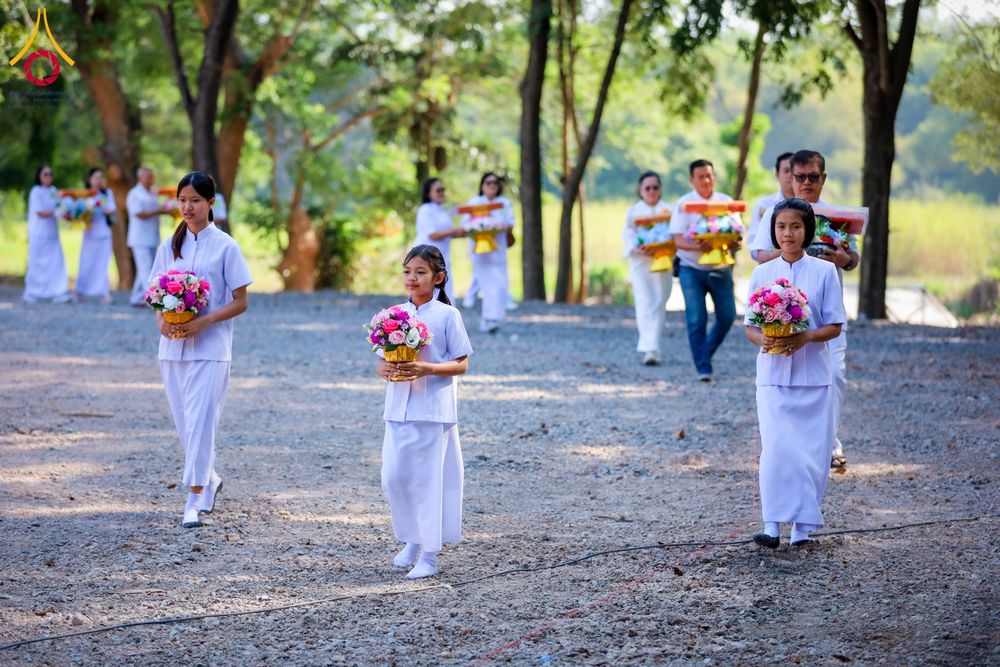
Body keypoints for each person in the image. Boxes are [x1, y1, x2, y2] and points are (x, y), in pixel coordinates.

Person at [150, 171, 253, 529]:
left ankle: (194, 498)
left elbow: (241, 301)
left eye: (195, 200)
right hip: (172, 348)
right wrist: (161, 322)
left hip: (211, 347)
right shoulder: (168, 246)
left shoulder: (226, 246)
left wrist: (205, 321)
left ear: (211, 203)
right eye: (182, 200)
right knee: (184, 423)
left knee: (201, 422)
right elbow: (154, 294)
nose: (188, 207)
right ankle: (209, 478)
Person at [744, 198, 845, 548]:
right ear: (773, 230)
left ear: (807, 230)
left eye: (795, 226)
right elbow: (749, 326)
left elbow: (834, 325)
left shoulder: (825, 271)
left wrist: (805, 338)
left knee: (810, 454)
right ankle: (772, 525)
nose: (787, 233)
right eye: (781, 226)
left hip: (813, 376)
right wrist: (765, 340)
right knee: (775, 448)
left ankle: (802, 529)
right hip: (772, 375)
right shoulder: (761, 273)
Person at [750, 150, 860, 468]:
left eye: (813, 176)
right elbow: (759, 255)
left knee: (834, 376)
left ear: (823, 178)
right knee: (785, 382)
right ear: (790, 177)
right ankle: (787, 446)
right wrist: (795, 248)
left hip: (824, 313)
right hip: (781, 315)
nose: (806, 182)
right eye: (800, 176)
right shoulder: (777, 214)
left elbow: (853, 258)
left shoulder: (835, 216)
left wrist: (842, 259)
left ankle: (829, 443)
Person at [376, 244, 472, 579]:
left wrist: (426, 369)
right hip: (397, 408)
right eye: (407, 272)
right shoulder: (392, 315)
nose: (412, 278)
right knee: (394, 477)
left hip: (432, 410)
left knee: (427, 481)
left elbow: (461, 364)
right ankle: (413, 539)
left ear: (438, 278)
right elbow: (381, 360)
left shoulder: (448, 316)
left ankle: (429, 554)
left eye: (420, 272)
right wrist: (384, 370)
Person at [669, 159, 739, 381]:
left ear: (714, 177)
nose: (705, 180)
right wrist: (697, 246)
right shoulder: (683, 204)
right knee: (696, 318)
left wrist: (733, 242)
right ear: (692, 180)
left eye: (709, 175)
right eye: (700, 177)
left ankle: (704, 353)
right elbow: (678, 239)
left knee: (727, 316)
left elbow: (738, 233)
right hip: (691, 268)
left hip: (721, 267)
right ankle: (703, 368)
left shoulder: (726, 202)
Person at [622, 171, 674, 365]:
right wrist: (636, 247)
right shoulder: (633, 211)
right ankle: (650, 348)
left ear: (660, 189)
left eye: (655, 187)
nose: (651, 191)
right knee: (644, 302)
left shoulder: (669, 209)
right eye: (647, 188)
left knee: (659, 302)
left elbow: (677, 234)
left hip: (662, 262)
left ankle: (653, 344)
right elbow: (627, 235)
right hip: (641, 264)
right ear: (640, 190)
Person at [462, 172, 514, 333]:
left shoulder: (504, 203)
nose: (492, 185)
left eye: (495, 183)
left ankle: (493, 318)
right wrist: (480, 227)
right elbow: (465, 225)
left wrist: (498, 225)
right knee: (487, 285)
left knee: (499, 284)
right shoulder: (474, 202)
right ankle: (489, 318)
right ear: (482, 185)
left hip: (498, 249)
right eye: (488, 182)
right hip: (480, 251)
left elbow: (510, 223)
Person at [23, 165, 71, 303]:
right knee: (37, 263)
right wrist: (56, 212)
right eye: (45, 174)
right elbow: (39, 212)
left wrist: (66, 211)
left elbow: (60, 206)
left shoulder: (53, 190)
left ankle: (58, 291)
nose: (48, 177)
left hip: (52, 234)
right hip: (38, 234)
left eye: (50, 174)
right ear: (39, 176)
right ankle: (32, 292)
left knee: (56, 263)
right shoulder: (36, 191)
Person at [414, 178, 464, 301]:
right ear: (429, 193)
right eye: (438, 190)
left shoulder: (444, 211)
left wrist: (471, 231)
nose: (441, 193)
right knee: (429, 289)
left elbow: (449, 233)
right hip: (426, 256)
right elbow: (432, 234)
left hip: (442, 255)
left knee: (445, 287)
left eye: (443, 190)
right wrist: (455, 231)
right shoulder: (425, 209)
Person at [127, 167, 172, 305]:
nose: (151, 180)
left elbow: (157, 210)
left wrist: (165, 210)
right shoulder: (135, 194)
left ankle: (136, 298)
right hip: (139, 239)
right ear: (140, 178)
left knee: (146, 269)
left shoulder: (152, 193)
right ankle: (153, 300)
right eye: (149, 177)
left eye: (152, 177)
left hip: (152, 237)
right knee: (146, 270)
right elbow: (139, 213)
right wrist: (158, 210)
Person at [75, 168, 117, 304]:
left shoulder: (106, 193)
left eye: (101, 178)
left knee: (103, 264)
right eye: (96, 178)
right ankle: (79, 290)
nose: (99, 181)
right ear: (90, 180)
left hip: (104, 233)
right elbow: (78, 212)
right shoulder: (85, 195)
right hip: (89, 232)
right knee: (86, 262)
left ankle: (104, 293)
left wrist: (101, 207)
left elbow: (112, 209)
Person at [748, 152, 794, 246]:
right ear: (777, 175)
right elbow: (753, 240)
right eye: (786, 171)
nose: (790, 174)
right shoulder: (763, 204)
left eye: (794, 171)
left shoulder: (812, 204)